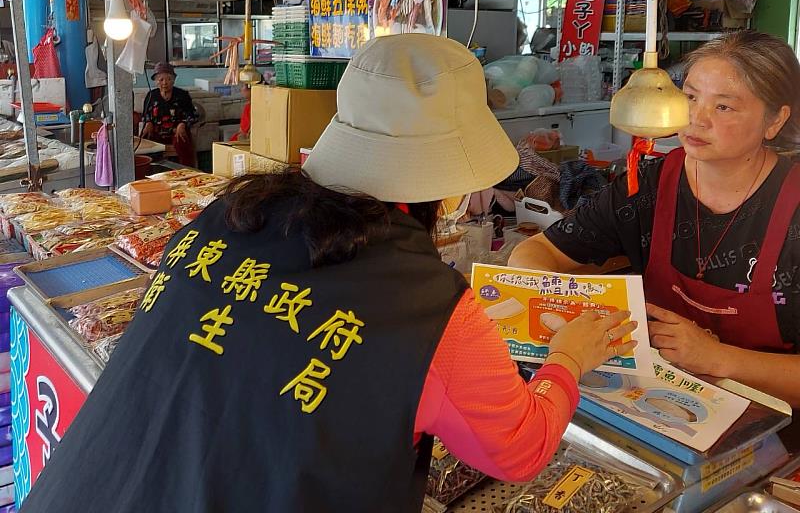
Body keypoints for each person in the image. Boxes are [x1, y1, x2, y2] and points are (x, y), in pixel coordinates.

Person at [20, 35, 636, 513]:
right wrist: (567, 361)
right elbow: (518, 448)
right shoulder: (430, 310)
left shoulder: (226, 216)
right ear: (448, 178)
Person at [509, 31, 800, 408]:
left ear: (775, 121)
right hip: (654, 404)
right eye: (691, 97)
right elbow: (538, 252)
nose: (696, 118)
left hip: (772, 433)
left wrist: (720, 358)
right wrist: (564, 312)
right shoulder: (649, 183)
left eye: (724, 107)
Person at [141, 61, 198, 166]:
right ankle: (151, 171)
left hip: (176, 132)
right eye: (161, 79)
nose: (164, 83)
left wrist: (183, 124)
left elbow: (192, 115)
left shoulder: (182, 95)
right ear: (155, 81)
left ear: (174, 80)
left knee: (182, 139)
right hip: (157, 131)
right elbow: (145, 115)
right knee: (144, 142)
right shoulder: (151, 96)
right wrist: (148, 122)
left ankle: (187, 171)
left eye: (168, 79)